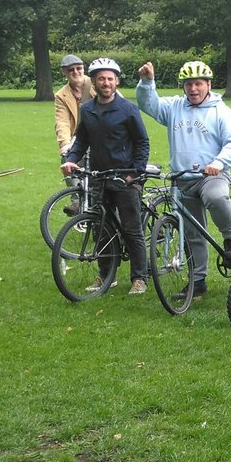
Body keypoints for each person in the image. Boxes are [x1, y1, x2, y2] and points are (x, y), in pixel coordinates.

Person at [137, 60, 231, 299]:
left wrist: (218, 163)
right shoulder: (174, 107)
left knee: (216, 196)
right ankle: (198, 281)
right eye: (188, 84)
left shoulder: (221, 110)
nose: (193, 89)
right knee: (193, 233)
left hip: (210, 175)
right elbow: (148, 104)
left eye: (198, 84)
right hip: (182, 178)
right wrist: (146, 82)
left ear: (208, 85)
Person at [61, 58, 150, 294]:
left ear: (117, 81)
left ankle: (139, 278)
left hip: (124, 177)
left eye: (110, 78)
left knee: (132, 229)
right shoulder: (87, 110)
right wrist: (71, 158)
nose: (106, 82)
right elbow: (82, 139)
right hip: (98, 176)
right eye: (101, 78)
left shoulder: (128, 109)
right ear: (94, 82)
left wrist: (135, 173)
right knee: (101, 228)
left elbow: (142, 142)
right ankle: (106, 275)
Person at [54, 54, 94, 214]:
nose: (76, 72)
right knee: (68, 158)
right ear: (64, 72)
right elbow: (62, 121)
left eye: (79, 68)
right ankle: (78, 201)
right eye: (71, 70)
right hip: (80, 137)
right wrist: (65, 144)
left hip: (101, 135)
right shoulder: (61, 95)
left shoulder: (95, 83)